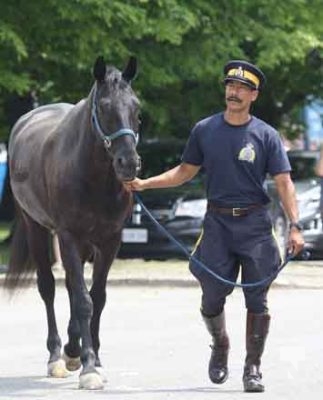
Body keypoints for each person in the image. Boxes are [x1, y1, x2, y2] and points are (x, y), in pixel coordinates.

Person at [125, 60, 304, 392]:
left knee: (257, 300)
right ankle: (220, 343)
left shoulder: (266, 135)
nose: (233, 92)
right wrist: (145, 184)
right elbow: (184, 172)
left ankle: (252, 367)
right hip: (217, 224)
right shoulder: (205, 130)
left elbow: (284, 182)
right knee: (210, 296)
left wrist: (295, 226)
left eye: (241, 88)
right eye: (229, 86)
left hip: (255, 226)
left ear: (253, 95)